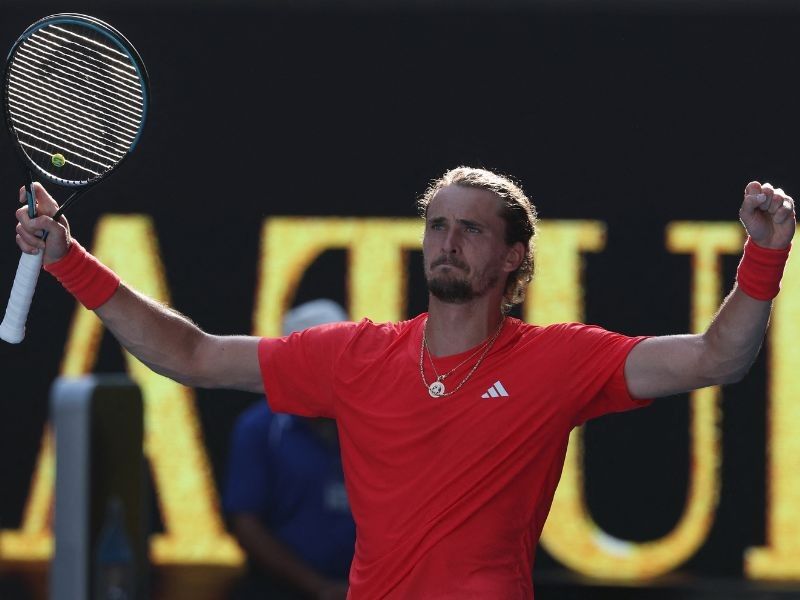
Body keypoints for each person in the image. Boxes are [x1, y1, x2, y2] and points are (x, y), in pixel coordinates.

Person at [13, 167, 794, 598]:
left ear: (514, 258)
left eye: (471, 228)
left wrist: (762, 259)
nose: (447, 242)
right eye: (437, 225)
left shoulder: (560, 360)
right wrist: (70, 264)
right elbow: (189, 353)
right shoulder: (356, 356)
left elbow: (714, 359)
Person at [224, 299, 354, 600]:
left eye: (343, 349)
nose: (334, 364)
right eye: (322, 354)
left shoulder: (376, 420)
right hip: (280, 592)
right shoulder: (259, 429)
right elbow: (246, 525)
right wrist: (318, 587)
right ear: (293, 362)